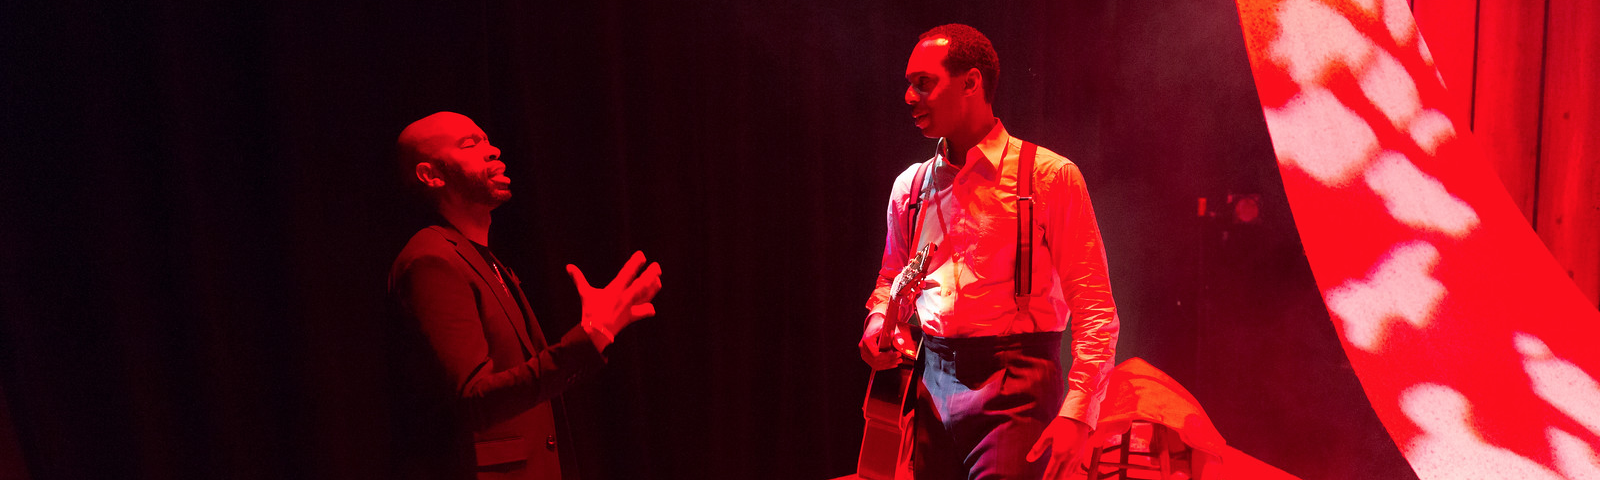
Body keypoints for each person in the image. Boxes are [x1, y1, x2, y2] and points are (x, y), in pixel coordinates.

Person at [858, 24, 1119, 480]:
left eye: (924, 82)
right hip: (931, 381)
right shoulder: (911, 186)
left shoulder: (1049, 176)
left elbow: (1095, 309)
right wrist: (880, 320)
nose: (908, 96)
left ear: (971, 83)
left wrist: (1078, 413)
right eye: (908, 83)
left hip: (1016, 386)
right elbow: (889, 279)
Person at [387, 111, 662, 480]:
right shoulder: (431, 260)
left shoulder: (487, 262)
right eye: (470, 144)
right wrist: (589, 338)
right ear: (431, 175)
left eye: (487, 140)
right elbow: (475, 399)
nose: (492, 150)